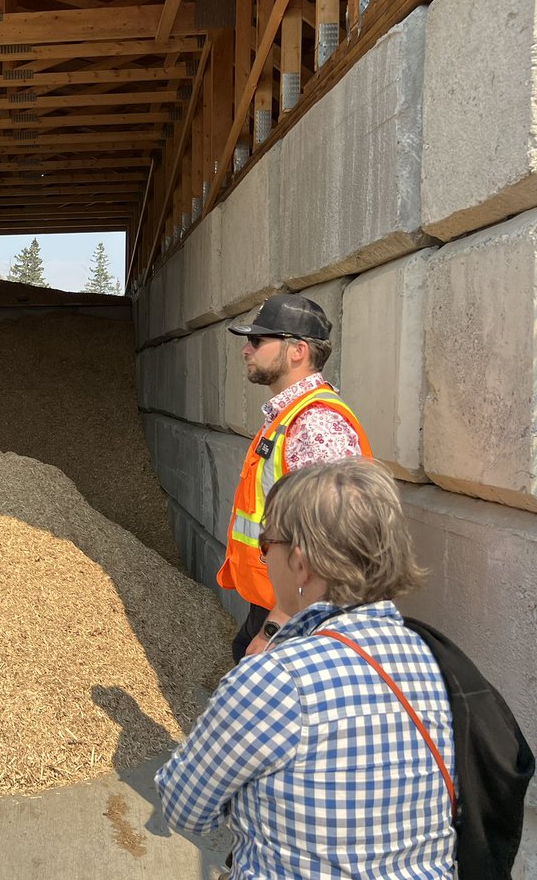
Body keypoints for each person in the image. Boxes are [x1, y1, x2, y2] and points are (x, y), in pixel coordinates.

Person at [156, 459, 456, 877]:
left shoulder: (273, 680)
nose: (264, 559)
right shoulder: (434, 660)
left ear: (300, 562)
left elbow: (183, 806)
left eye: (265, 546)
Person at [219, 292, 371, 662]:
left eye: (257, 340)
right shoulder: (289, 418)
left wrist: (278, 626)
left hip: (305, 617)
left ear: (297, 351)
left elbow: (332, 538)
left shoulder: (316, 423)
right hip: (285, 604)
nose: (246, 350)